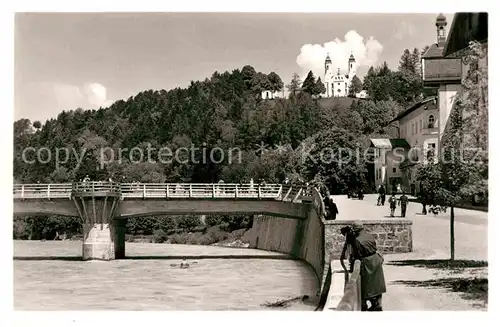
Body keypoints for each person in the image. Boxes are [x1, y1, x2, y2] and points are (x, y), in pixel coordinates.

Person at [345, 221, 386, 311]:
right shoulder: (369, 235)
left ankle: (364, 304)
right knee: (377, 284)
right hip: (376, 259)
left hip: (367, 262)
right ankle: (378, 304)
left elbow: (357, 254)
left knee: (366, 285)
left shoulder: (357, 240)